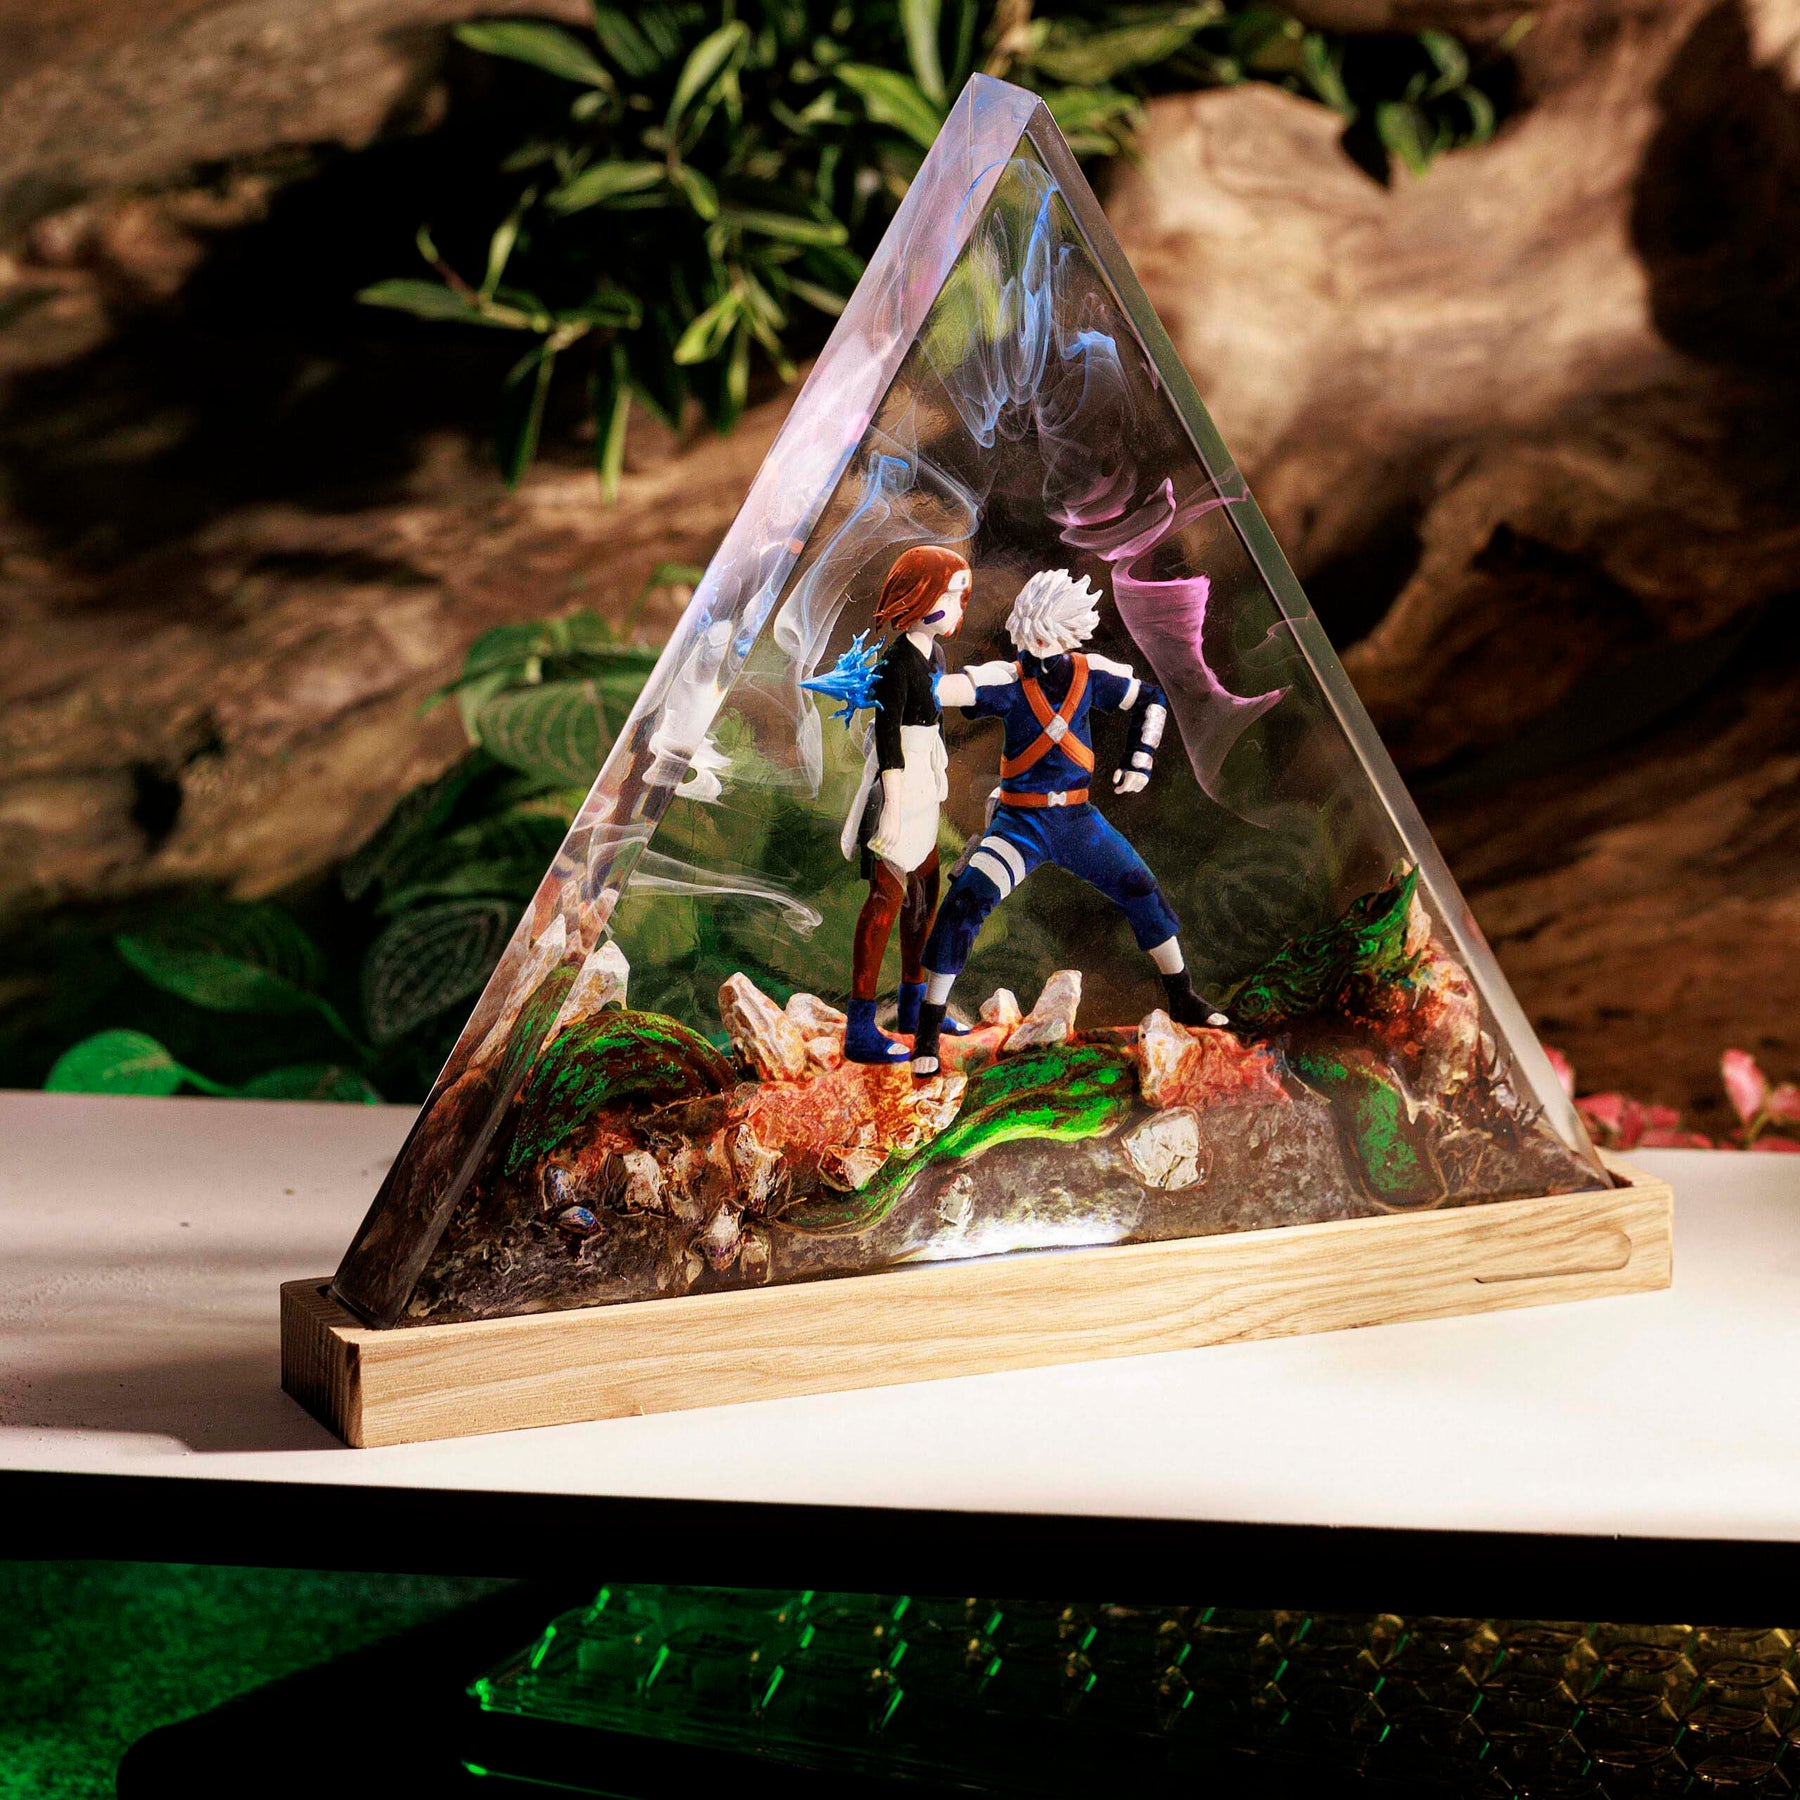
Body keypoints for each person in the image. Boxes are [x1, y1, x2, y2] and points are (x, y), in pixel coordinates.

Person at [909, 567, 1229, 1076]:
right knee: (966, 901)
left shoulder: (1090, 672)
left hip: (1078, 820)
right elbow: (943, 691)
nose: (1037, 644)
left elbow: (1151, 700)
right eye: (1032, 633)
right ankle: (927, 1028)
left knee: (1140, 887)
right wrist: (902, 672)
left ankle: (1183, 995)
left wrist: (1141, 759)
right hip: (1020, 824)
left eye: (1047, 634)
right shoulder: (1006, 679)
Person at [822, 546, 976, 1064]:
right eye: (948, 595)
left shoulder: (936, 657)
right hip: (897, 785)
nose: (956, 608)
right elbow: (888, 736)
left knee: (925, 890)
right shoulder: (896, 663)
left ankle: (913, 1005)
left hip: (924, 784)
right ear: (919, 597)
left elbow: (934, 721)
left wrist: (938, 771)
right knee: (886, 897)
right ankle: (860, 1027)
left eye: (961, 596)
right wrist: (890, 802)